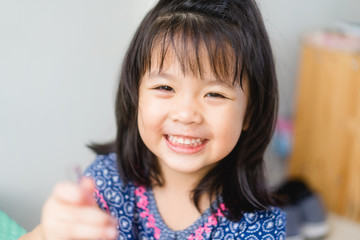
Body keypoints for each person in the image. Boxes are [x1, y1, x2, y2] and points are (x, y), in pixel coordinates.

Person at [20, 0, 286, 239]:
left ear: (250, 112)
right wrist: (47, 234)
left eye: (214, 93)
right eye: (165, 88)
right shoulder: (107, 182)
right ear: (136, 95)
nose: (185, 114)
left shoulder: (260, 226)